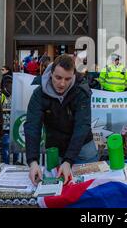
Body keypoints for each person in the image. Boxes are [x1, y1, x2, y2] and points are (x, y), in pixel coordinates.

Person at [24, 54, 98, 185]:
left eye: (67, 79)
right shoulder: (39, 94)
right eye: (58, 77)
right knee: (59, 192)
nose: (62, 83)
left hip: (83, 149)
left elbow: (82, 126)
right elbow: (32, 127)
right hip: (56, 149)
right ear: (51, 73)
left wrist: (68, 160)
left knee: (89, 190)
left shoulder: (81, 91)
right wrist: (32, 161)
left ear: (73, 76)